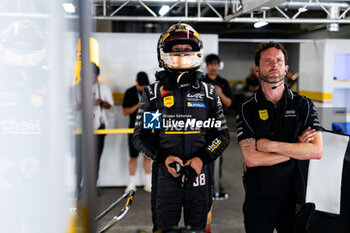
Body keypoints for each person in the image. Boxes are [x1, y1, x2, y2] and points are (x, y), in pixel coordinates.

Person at [132, 23, 230, 232]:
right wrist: (162, 158)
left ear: (197, 52)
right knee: (163, 228)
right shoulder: (154, 93)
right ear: (163, 53)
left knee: (200, 228)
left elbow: (222, 136)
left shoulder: (208, 93)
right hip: (165, 174)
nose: (182, 54)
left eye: (187, 49)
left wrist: (201, 158)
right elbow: (141, 137)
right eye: (176, 50)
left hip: (200, 174)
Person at [236, 41, 323, 233]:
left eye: (278, 60)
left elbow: (316, 151)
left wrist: (270, 145)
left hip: (296, 197)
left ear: (286, 68)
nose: (274, 64)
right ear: (257, 69)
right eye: (268, 61)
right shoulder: (247, 108)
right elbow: (251, 158)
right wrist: (297, 149)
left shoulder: (303, 105)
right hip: (259, 197)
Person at [72, 62, 114, 190]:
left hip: (98, 127)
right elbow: (72, 106)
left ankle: (91, 186)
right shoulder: (76, 88)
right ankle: (77, 187)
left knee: (95, 159)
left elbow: (109, 105)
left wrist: (100, 102)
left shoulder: (104, 88)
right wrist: (86, 103)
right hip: (80, 128)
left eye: (94, 76)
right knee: (79, 158)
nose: (92, 78)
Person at [123, 71, 152, 193]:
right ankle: (132, 183)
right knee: (133, 157)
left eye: (145, 86)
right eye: (141, 86)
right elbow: (125, 112)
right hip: (133, 129)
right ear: (136, 82)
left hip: (149, 130)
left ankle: (148, 183)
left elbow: (156, 110)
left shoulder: (151, 92)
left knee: (148, 156)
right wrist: (138, 105)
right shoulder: (130, 92)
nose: (143, 88)